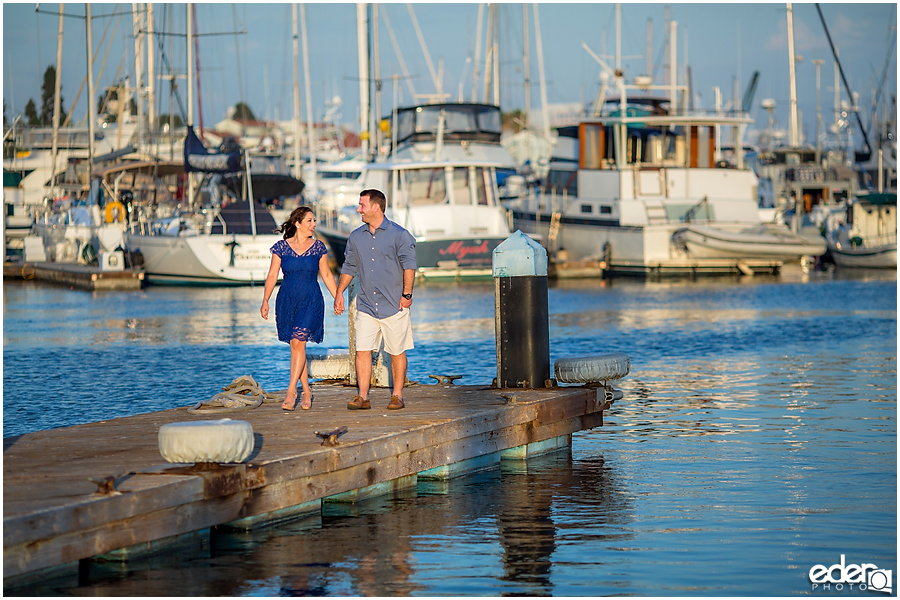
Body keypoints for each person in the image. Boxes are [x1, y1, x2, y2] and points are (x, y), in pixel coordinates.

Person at [333, 189, 416, 411]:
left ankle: (397, 395)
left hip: (394, 305)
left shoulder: (400, 234)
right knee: (362, 350)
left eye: (362, 205)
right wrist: (339, 292)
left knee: (397, 351)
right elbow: (349, 267)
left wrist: (407, 295)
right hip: (367, 305)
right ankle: (363, 396)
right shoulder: (355, 237)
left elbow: (409, 266)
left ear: (375, 207)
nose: (358, 209)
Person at [261, 206, 338, 411]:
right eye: (310, 221)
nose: (314, 224)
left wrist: (338, 296)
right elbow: (271, 275)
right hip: (287, 300)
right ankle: (307, 390)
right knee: (297, 346)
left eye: (314, 221)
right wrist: (265, 300)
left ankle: (291, 390)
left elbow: (328, 276)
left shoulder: (318, 247)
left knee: (298, 341)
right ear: (298, 223)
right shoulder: (281, 247)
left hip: (311, 300)